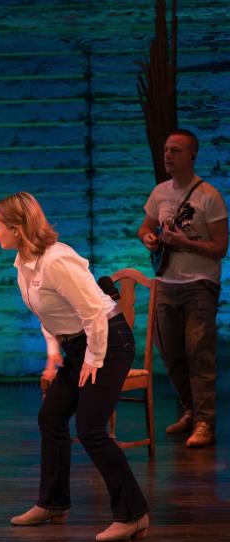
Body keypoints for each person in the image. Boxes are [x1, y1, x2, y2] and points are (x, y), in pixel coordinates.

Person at [0, 192, 150, 542]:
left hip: (109, 340)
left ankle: (133, 514)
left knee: (91, 428)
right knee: (51, 417)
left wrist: (93, 359)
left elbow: (95, 311)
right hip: (78, 344)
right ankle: (53, 503)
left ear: (18, 229)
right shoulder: (23, 264)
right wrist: (53, 354)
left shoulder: (57, 261)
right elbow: (47, 314)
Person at [138, 129, 227, 448]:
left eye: (175, 150)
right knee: (172, 354)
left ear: (192, 155)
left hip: (199, 285)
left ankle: (205, 422)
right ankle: (191, 410)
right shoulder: (160, 192)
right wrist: (148, 237)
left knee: (199, 353)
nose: (167, 155)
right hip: (166, 283)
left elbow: (220, 248)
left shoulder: (209, 196)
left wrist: (184, 242)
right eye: (165, 149)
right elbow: (146, 225)